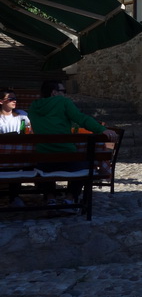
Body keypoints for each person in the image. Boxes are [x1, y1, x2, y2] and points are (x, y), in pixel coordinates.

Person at [27, 80, 119, 208]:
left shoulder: (33, 107)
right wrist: (102, 129)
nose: (65, 94)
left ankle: (50, 198)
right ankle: (70, 198)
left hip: (44, 162)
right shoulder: (63, 102)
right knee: (88, 166)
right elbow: (81, 119)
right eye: (63, 91)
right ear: (54, 92)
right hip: (67, 157)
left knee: (44, 162)